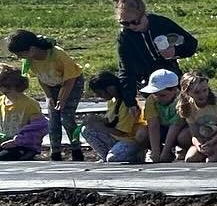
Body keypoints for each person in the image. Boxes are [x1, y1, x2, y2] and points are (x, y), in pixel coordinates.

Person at [5, 30, 84, 162]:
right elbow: (41, 78)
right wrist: (49, 97)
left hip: (71, 83)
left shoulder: (57, 55)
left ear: (32, 49)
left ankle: (76, 149)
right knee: (53, 119)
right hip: (51, 84)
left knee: (66, 117)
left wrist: (62, 98)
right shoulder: (29, 60)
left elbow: (70, 79)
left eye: (20, 54)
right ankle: (56, 152)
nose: (19, 58)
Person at [111, 0, 197, 107]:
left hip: (171, 76)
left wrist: (175, 51)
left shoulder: (161, 23)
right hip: (147, 82)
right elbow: (126, 70)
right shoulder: (124, 37)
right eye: (124, 23)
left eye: (135, 22)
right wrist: (130, 102)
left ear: (143, 14)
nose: (131, 26)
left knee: (181, 108)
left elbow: (191, 44)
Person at [80, 71, 144, 164]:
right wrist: (96, 119)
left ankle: (134, 156)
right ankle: (105, 156)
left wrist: (100, 126)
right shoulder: (112, 101)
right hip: (116, 139)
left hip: (130, 140)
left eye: (99, 92)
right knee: (87, 130)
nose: (99, 96)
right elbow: (111, 121)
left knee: (113, 158)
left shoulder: (127, 104)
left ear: (110, 88)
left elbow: (122, 132)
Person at [179, 67, 217, 162]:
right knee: (190, 159)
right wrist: (199, 145)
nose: (202, 95)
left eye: (205, 90)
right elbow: (194, 134)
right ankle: (207, 152)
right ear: (188, 92)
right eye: (196, 92)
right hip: (204, 139)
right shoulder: (187, 106)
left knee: (211, 160)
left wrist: (213, 141)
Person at [138, 69, 186, 163]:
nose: (158, 98)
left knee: (184, 137)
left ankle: (182, 151)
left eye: (162, 95)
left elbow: (175, 126)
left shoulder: (182, 101)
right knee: (141, 134)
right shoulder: (151, 100)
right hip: (162, 130)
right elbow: (153, 125)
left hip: (179, 131)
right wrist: (156, 153)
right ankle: (155, 151)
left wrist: (165, 152)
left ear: (174, 90)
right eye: (155, 94)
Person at [0, 65, 47, 160]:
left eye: (7, 86)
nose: (3, 90)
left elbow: (38, 128)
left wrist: (17, 141)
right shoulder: (1, 101)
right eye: (1, 86)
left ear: (18, 85)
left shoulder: (30, 104)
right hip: (5, 142)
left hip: (24, 145)